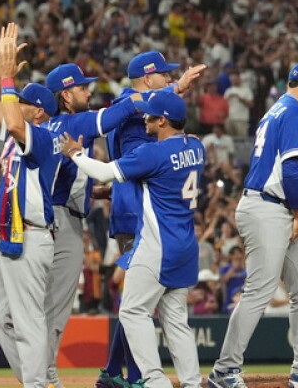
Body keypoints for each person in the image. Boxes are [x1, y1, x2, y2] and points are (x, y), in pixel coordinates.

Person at [208, 64, 298, 388]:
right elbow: (293, 172)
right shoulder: (297, 112)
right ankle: (225, 370)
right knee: (259, 291)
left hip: (271, 206)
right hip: (269, 209)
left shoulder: (275, 110)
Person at [64, 91, 205, 388]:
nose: (145, 118)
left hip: (158, 244)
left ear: (164, 120)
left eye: (151, 115)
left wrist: (76, 154)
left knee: (132, 312)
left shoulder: (152, 153)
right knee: (176, 320)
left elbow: (103, 172)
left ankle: (155, 381)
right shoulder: (196, 147)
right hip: (186, 245)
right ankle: (192, 383)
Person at [100, 51, 205, 388]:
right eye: (163, 75)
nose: (167, 80)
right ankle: (136, 377)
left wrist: (173, 91)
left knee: (140, 301)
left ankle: (116, 372)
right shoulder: (129, 101)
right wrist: (177, 90)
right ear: (147, 78)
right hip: (139, 210)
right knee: (138, 304)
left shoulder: (142, 107)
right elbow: (137, 102)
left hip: (139, 202)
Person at [42, 62, 143, 388]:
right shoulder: (73, 121)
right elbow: (112, 117)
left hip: (50, 217)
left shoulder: (52, 126)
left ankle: (41, 372)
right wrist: (143, 95)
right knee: (57, 307)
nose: (89, 91)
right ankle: (44, 374)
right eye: (82, 87)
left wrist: (96, 191)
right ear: (66, 96)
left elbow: (66, 178)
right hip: (61, 221)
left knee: (47, 305)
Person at [0, 23, 62, 388]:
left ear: (39, 113)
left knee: (27, 321)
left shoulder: (40, 136)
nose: (17, 103)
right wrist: (0, 62)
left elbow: (11, 121)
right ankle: (37, 380)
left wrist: (9, 77)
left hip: (30, 235)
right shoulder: (24, 127)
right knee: (1, 318)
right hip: (11, 232)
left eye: (25, 102)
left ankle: (38, 384)